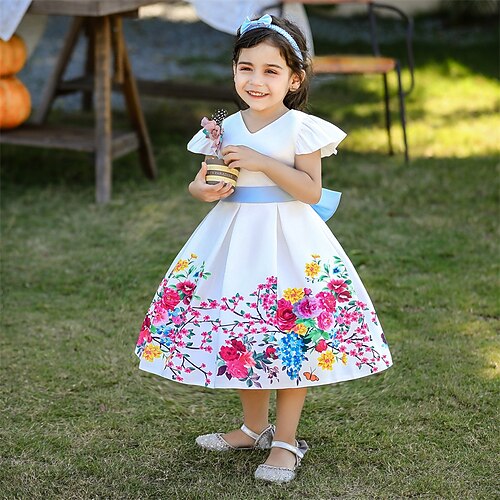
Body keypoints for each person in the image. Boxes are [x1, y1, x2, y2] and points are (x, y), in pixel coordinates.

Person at [135, 14, 392, 484]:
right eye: (245, 68)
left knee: (291, 336)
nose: (256, 80)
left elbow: (310, 190)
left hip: (288, 242)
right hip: (234, 240)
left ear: (294, 79)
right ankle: (253, 427)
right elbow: (202, 181)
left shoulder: (300, 128)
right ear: (233, 70)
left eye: (271, 70)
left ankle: (285, 441)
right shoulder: (222, 128)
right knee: (243, 332)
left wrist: (262, 162)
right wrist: (203, 190)